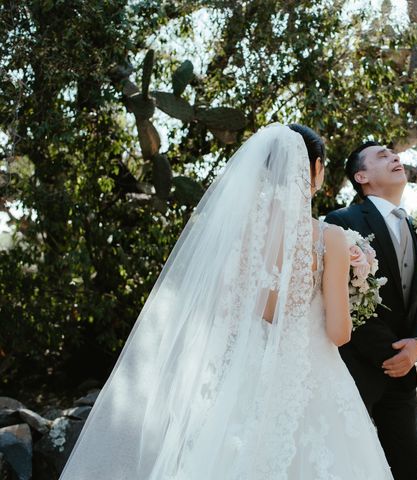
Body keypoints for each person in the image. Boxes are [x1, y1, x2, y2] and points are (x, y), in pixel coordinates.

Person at [58, 123, 393, 479]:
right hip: (313, 379)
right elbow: (339, 332)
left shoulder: (240, 232)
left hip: (246, 378)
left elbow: (230, 311)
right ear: (317, 169)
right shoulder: (331, 238)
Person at [325, 141, 417, 480]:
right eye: (382, 156)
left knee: (405, 470)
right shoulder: (341, 222)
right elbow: (340, 297)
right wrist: (391, 354)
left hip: (404, 377)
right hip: (355, 371)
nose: (395, 157)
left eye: (395, 153)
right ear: (361, 176)